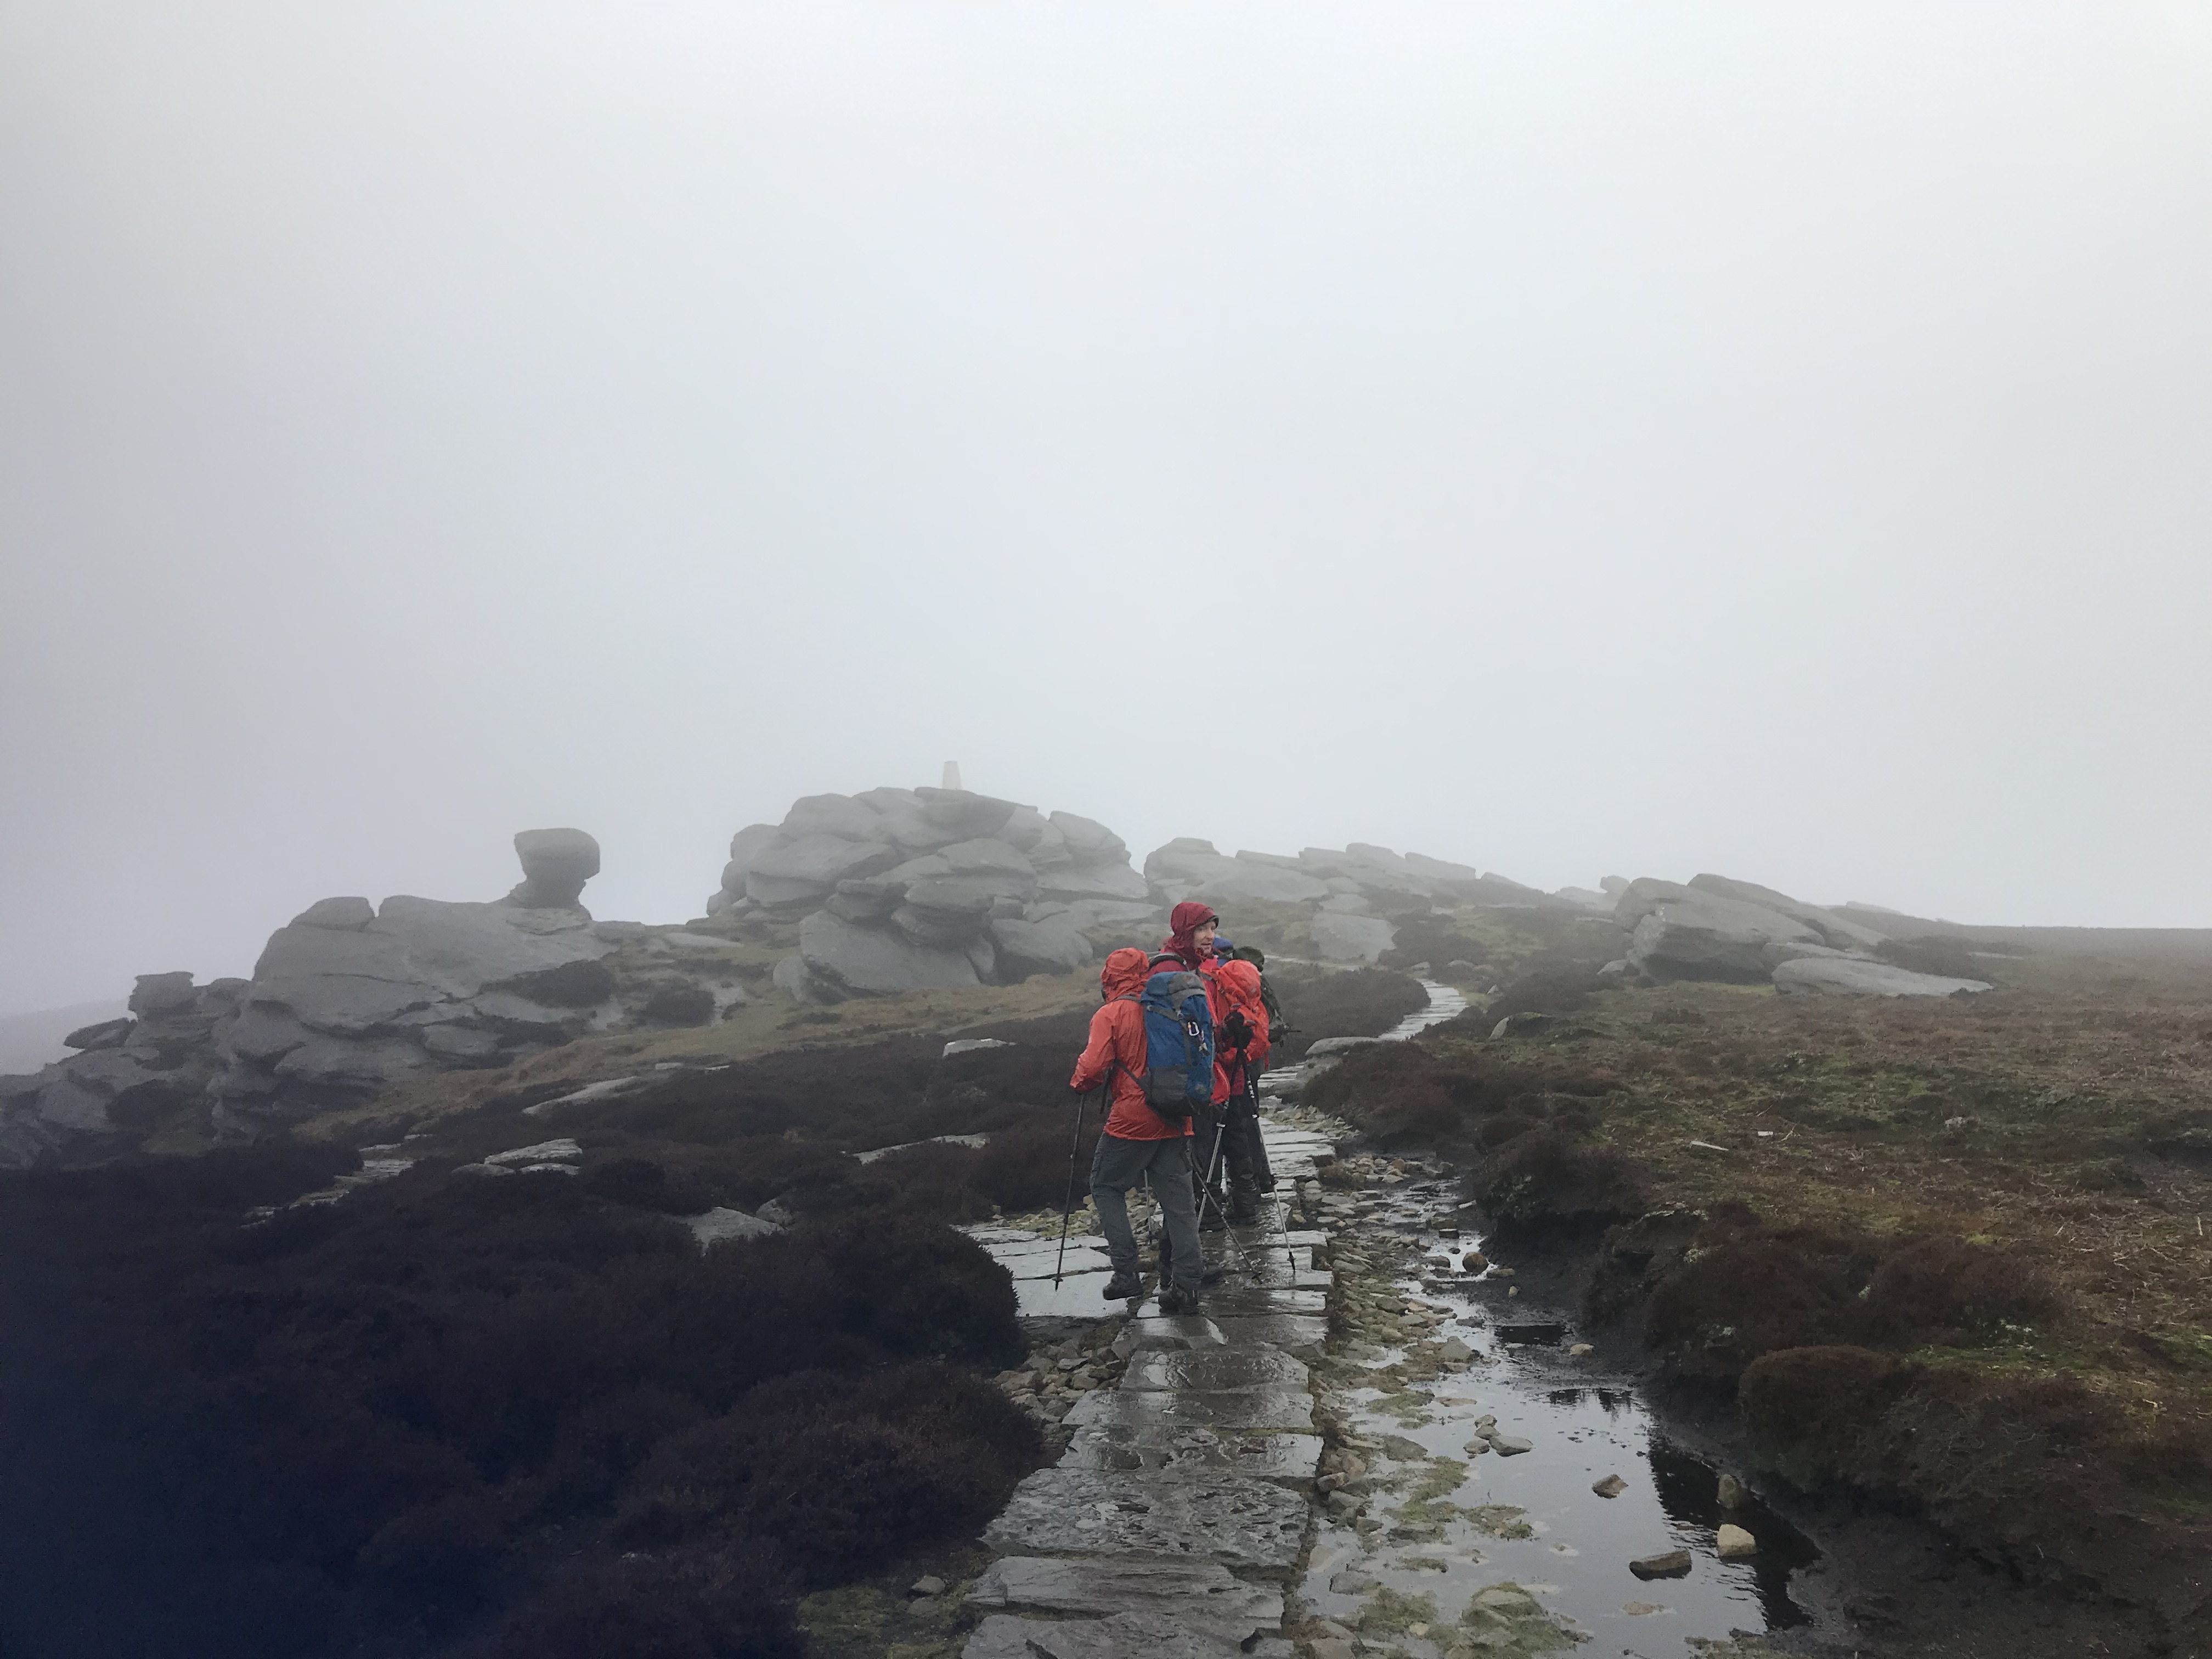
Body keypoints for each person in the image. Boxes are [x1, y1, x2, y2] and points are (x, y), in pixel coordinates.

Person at [1069, 945, 1205, 1313]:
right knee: (1180, 1206)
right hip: (1177, 1116)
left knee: (1105, 1185)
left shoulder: (1111, 1014)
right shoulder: (1166, 1007)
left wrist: (1079, 1081)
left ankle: (1126, 1273)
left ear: (1109, 978)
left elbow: (1093, 1068)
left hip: (1132, 1120)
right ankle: (1188, 1287)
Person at [1204, 938, 1272, 1222]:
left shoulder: (1217, 985)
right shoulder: (1250, 993)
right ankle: (1247, 1203)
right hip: (1242, 1075)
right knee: (1240, 1135)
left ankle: (1210, 1210)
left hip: (1222, 1079)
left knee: (1212, 1143)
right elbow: (1258, 1041)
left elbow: (1216, 1042)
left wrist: (1220, 1047)